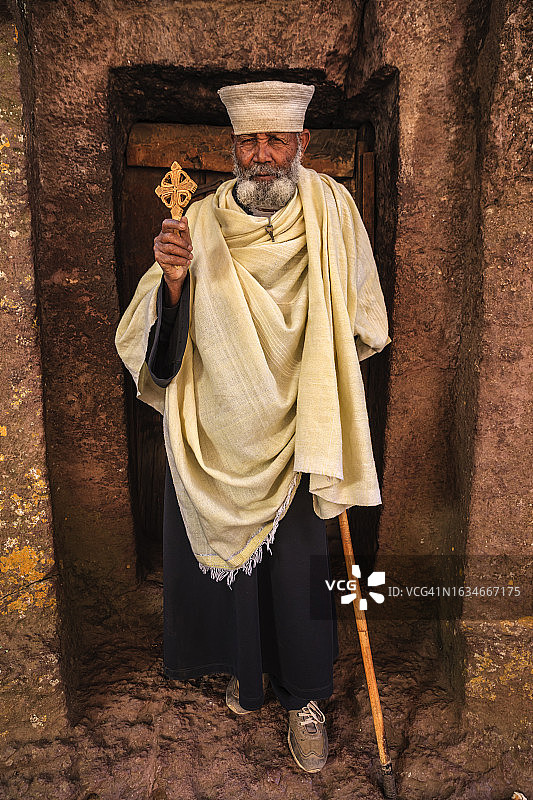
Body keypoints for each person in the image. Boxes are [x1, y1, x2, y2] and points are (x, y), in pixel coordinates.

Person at [115, 80, 390, 773]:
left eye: (275, 140)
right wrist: (174, 282)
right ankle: (247, 673)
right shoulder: (198, 222)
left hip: (303, 415)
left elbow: (362, 314)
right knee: (234, 568)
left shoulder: (332, 209)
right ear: (231, 148)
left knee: (299, 564)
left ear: (302, 143)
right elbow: (159, 351)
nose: (261, 155)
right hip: (224, 417)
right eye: (248, 142)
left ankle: (306, 697)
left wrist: (323, 374)